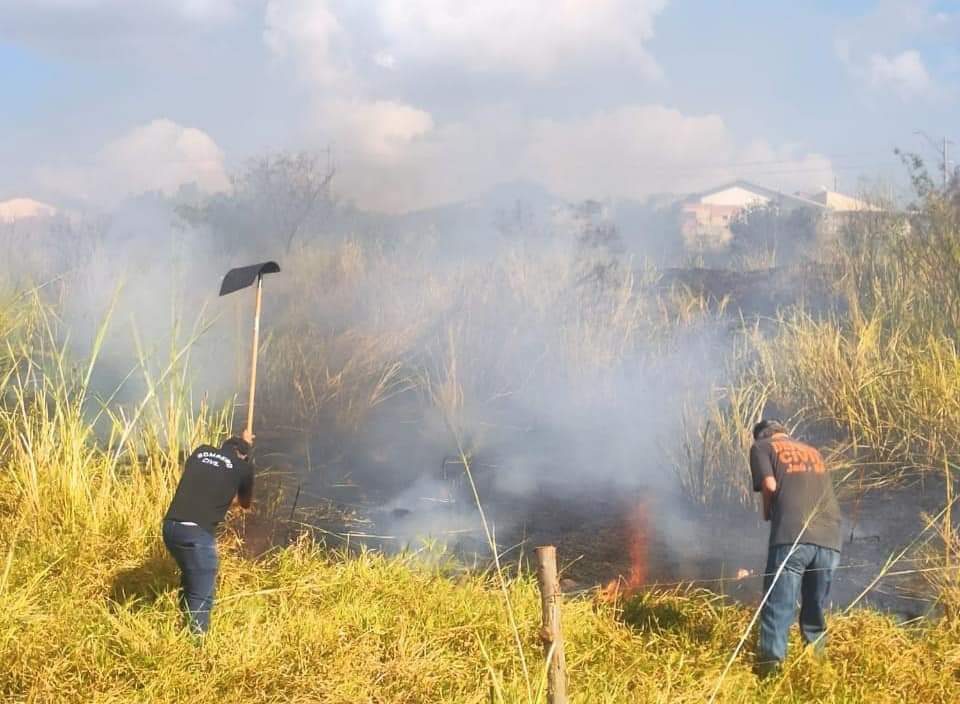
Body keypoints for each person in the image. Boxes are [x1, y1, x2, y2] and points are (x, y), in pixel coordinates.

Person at [749, 419, 842, 676]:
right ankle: (817, 667)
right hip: (831, 538)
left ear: (761, 436)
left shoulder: (761, 447)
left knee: (779, 603)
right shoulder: (813, 451)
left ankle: (770, 670)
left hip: (792, 536)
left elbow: (769, 484)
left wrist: (767, 511)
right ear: (784, 433)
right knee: (814, 606)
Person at [162, 429, 255, 634]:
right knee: (201, 596)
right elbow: (243, 503)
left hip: (171, 528)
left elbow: (214, 471)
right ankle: (197, 651)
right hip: (197, 535)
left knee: (190, 576)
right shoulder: (244, 467)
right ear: (244, 455)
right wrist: (246, 461)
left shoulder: (201, 451)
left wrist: (244, 442)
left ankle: (181, 629)